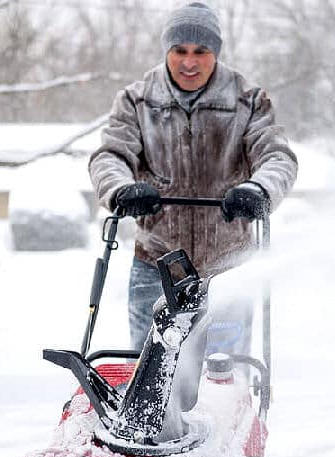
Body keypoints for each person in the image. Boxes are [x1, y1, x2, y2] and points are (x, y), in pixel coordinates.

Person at [89, 2, 298, 351]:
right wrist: (121, 188)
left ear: (214, 52)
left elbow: (278, 156)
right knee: (150, 378)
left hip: (227, 266)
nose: (189, 61)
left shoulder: (248, 100)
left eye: (201, 51)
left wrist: (258, 189)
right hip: (156, 263)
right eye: (179, 50)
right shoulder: (136, 101)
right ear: (166, 50)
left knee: (222, 376)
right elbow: (110, 155)